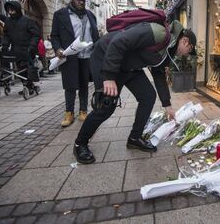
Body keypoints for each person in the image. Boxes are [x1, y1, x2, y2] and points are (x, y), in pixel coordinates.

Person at [73, 19, 196, 164]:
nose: (186, 55)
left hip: (129, 66)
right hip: (107, 57)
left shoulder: (168, 50)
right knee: (106, 105)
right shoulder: (159, 33)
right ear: (186, 41)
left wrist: (167, 105)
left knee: (148, 96)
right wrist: (109, 76)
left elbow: (158, 73)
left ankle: (134, 138)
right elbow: (118, 42)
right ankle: (80, 144)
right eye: (189, 51)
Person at [50, 0, 99, 127]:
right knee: (70, 85)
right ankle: (69, 113)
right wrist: (58, 48)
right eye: (78, 0)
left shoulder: (90, 15)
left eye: (83, 0)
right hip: (70, 54)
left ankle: (83, 110)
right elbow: (54, 36)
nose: (81, 2)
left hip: (86, 55)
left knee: (84, 84)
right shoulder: (60, 15)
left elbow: (94, 35)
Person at [2, 1, 40, 94]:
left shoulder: (27, 20)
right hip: (16, 50)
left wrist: (31, 46)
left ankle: (29, 86)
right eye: (9, 11)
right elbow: (6, 35)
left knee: (27, 68)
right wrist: (5, 45)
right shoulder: (7, 21)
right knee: (20, 69)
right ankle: (26, 86)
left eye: (12, 10)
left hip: (28, 49)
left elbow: (36, 35)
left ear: (17, 10)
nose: (10, 12)